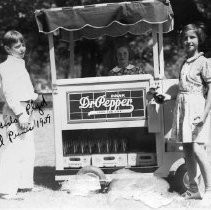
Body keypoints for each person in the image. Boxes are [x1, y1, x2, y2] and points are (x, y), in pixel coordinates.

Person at [151, 23, 211, 200]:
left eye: (192, 37)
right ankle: (194, 189)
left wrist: (205, 113)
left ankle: (209, 189)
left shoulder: (204, 62)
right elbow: (183, 90)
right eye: (185, 38)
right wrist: (166, 97)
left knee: (198, 148)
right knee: (187, 150)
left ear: (199, 39)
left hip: (197, 109)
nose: (188, 41)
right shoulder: (184, 63)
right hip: (183, 108)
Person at [0, 30, 38, 200]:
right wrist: (21, 114)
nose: (22, 48)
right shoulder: (6, 67)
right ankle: (7, 189)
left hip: (26, 109)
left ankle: (24, 184)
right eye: (17, 46)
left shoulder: (20, 63)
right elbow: (9, 93)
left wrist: (34, 97)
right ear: (8, 49)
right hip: (16, 111)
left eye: (23, 44)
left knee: (27, 148)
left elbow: (24, 87)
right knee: (13, 149)